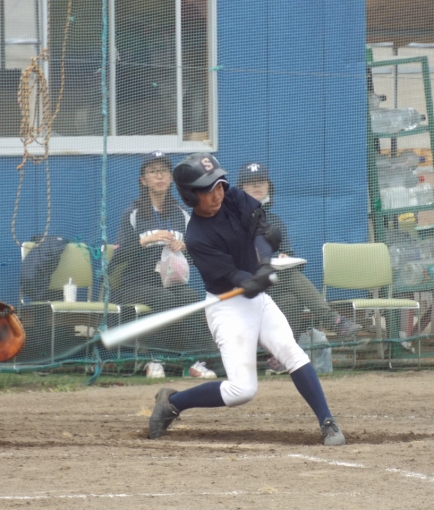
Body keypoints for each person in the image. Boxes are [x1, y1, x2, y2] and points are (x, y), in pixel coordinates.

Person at [147, 153, 346, 445]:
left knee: (291, 352)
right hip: (227, 308)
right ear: (191, 196)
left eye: (219, 184)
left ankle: (327, 422)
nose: (217, 193)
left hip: (258, 300)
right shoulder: (197, 237)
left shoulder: (232, 196)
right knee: (242, 391)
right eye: (208, 190)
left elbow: (261, 231)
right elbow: (233, 276)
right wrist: (250, 280)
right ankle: (173, 402)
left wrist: (264, 264)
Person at [109, 151, 216, 377]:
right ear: (143, 180)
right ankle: (154, 359)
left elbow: (198, 257)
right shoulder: (133, 214)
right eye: (152, 171)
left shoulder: (182, 215)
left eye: (164, 171)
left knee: (192, 299)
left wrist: (185, 247)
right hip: (134, 284)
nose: (159, 176)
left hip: (172, 283)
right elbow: (117, 258)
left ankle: (195, 362)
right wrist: (144, 240)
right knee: (165, 300)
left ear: (171, 178)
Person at [237, 162, 362, 339]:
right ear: (241, 189)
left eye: (261, 181)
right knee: (288, 275)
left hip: (271, 286)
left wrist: (285, 257)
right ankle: (333, 321)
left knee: (291, 300)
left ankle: (281, 351)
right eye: (250, 182)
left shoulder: (274, 221)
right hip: (241, 289)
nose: (257, 185)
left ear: (268, 187)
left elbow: (289, 255)